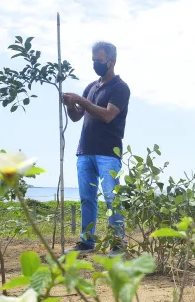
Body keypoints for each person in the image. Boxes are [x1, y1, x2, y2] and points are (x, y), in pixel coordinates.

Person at [63, 41, 130, 255]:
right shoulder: (91, 87)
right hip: (85, 151)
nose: (95, 64)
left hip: (108, 153)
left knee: (112, 198)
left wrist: (80, 100)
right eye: (93, 60)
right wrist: (70, 105)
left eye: (99, 61)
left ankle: (118, 243)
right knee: (87, 198)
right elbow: (76, 117)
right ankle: (87, 241)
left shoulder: (120, 88)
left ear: (112, 61)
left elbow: (108, 115)